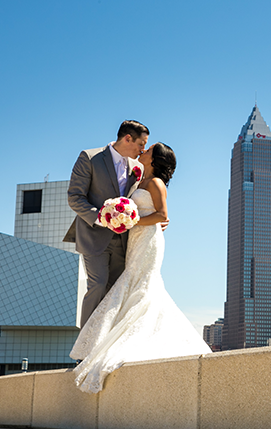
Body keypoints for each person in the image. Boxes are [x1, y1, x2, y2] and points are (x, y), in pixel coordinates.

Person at [70, 142, 211, 393]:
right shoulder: (139, 180)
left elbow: (162, 215)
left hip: (148, 241)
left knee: (142, 286)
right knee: (130, 284)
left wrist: (131, 222)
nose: (142, 152)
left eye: (148, 151)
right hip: (134, 241)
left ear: (155, 160)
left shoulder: (155, 183)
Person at [65, 120, 150, 328]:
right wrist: (101, 217)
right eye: (141, 143)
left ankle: (105, 346)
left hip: (123, 241)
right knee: (98, 285)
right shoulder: (90, 157)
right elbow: (75, 197)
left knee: (115, 292)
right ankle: (84, 351)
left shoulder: (137, 168)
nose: (143, 149)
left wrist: (158, 219)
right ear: (127, 138)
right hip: (93, 236)